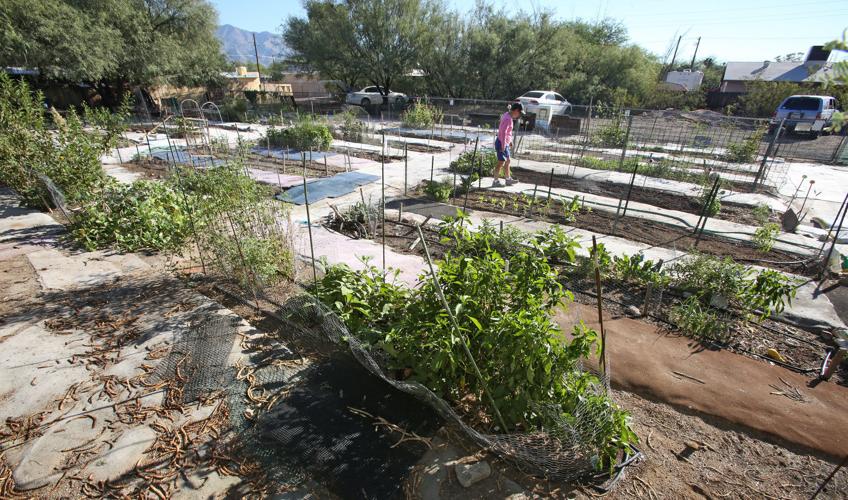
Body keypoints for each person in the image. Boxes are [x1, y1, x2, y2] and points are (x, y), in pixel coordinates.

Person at [493, 102, 523, 187]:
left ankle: (508, 179)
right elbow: (503, 133)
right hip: (501, 142)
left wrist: (509, 141)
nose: (519, 115)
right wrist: (503, 145)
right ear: (516, 110)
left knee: (508, 160)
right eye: (520, 113)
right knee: (500, 162)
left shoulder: (507, 115)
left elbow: (507, 133)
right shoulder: (507, 119)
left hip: (505, 142)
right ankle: (495, 181)